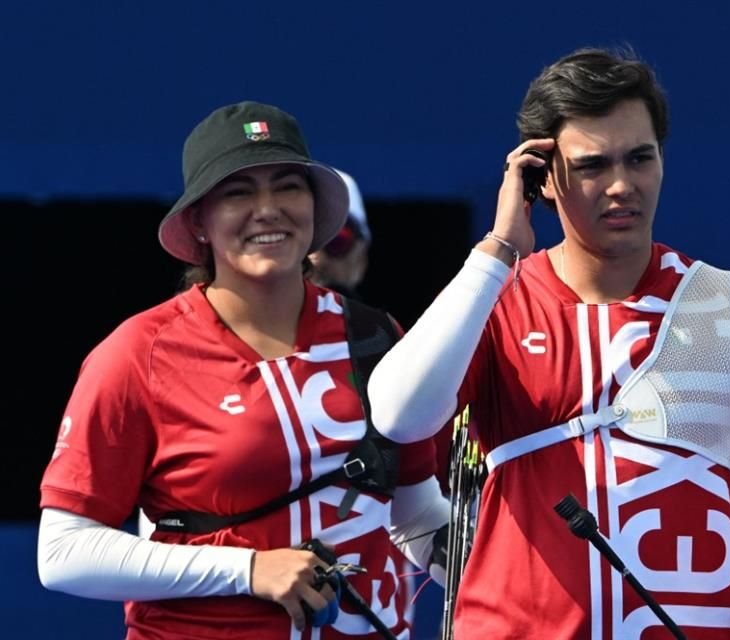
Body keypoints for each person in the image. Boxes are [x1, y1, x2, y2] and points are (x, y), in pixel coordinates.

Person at [368, 48, 730, 639]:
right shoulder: (490, 304)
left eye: (640, 158)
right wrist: (500, 246)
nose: (622, 185)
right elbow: (398, 416)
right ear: (541, 178)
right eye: (593, 165)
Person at [37, 101, 448, 639]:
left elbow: (415, 516)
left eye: (287, 187)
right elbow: (63, 552)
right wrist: (249, 570)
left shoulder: (374, 334)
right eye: (238, 193)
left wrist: (528, 576)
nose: (267, 209)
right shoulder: (138, 353)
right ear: (199, 223)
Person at [306, 169, 372, 298]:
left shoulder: (380, 319)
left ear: (361, 260)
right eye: (306, 244)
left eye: (336, 241)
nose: (316, 261)